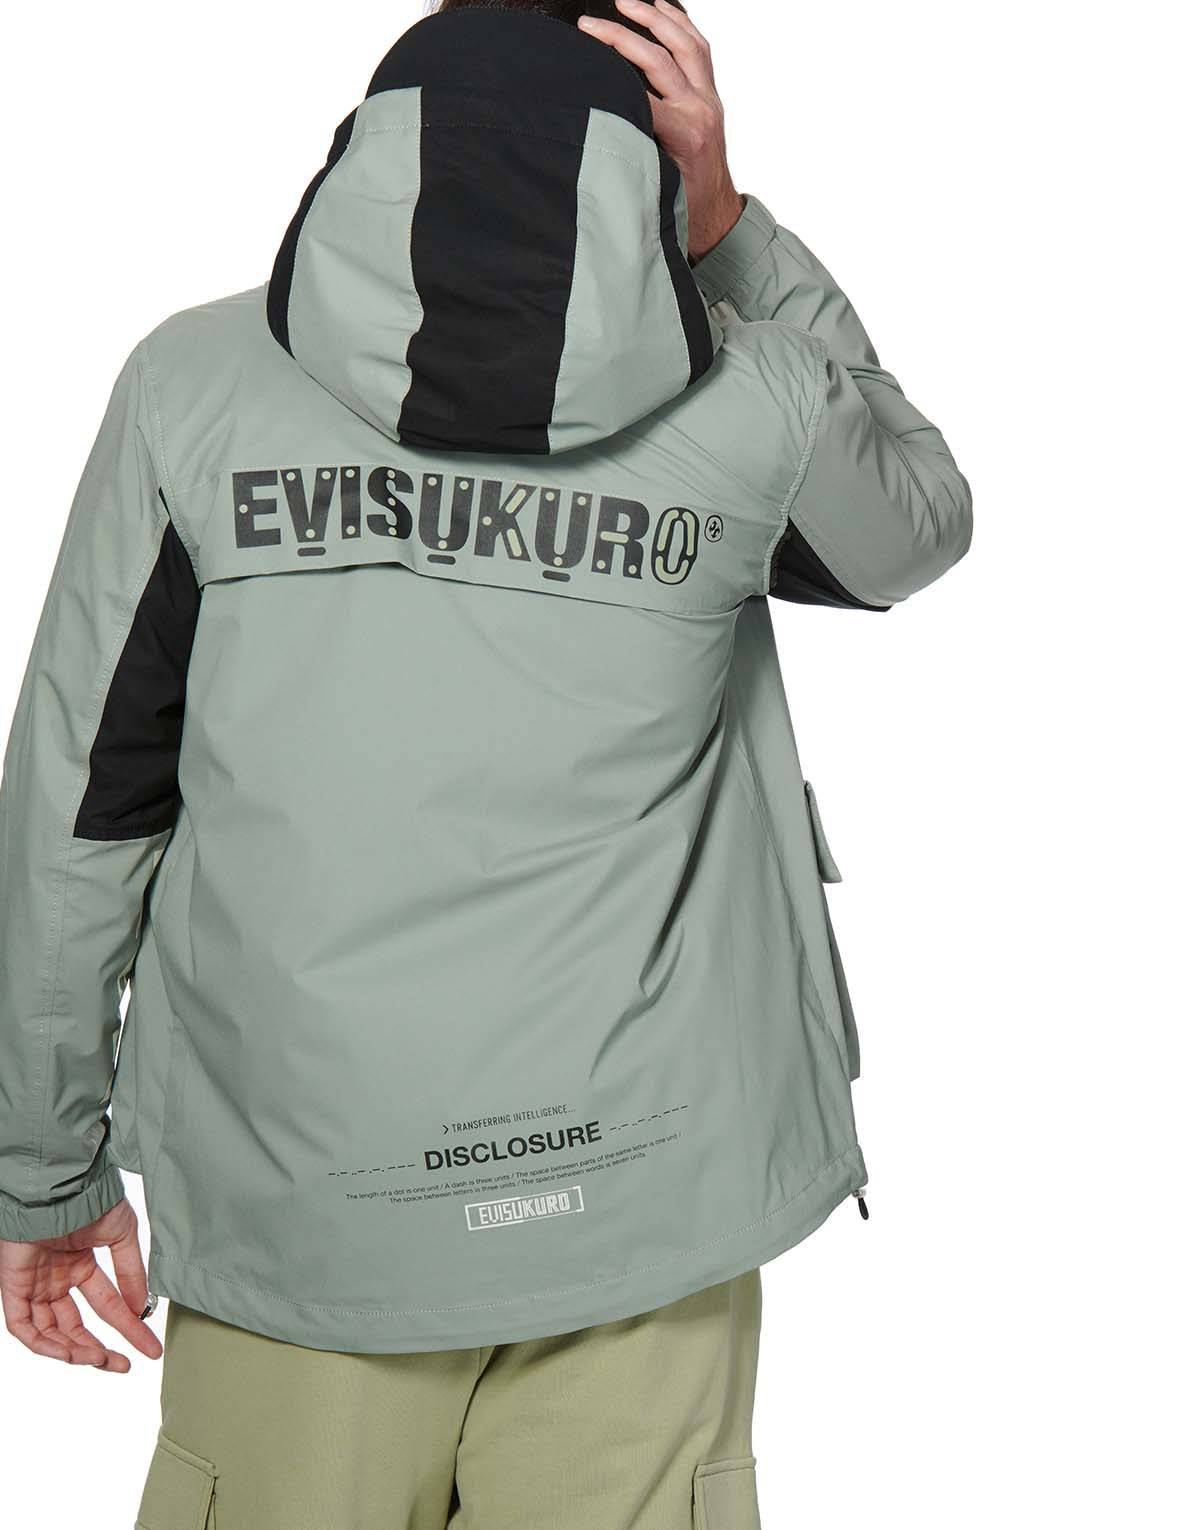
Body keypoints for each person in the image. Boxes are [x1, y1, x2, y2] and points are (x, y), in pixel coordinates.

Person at [0, 1, 972, 1525]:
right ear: (637, 162)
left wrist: (43, 1174)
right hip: (644, 1198)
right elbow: (913, 522)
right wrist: (729, 227)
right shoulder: (753, 398)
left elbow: (83, 805)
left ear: (369, 152)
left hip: (306, 1203)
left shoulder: (194, 388)